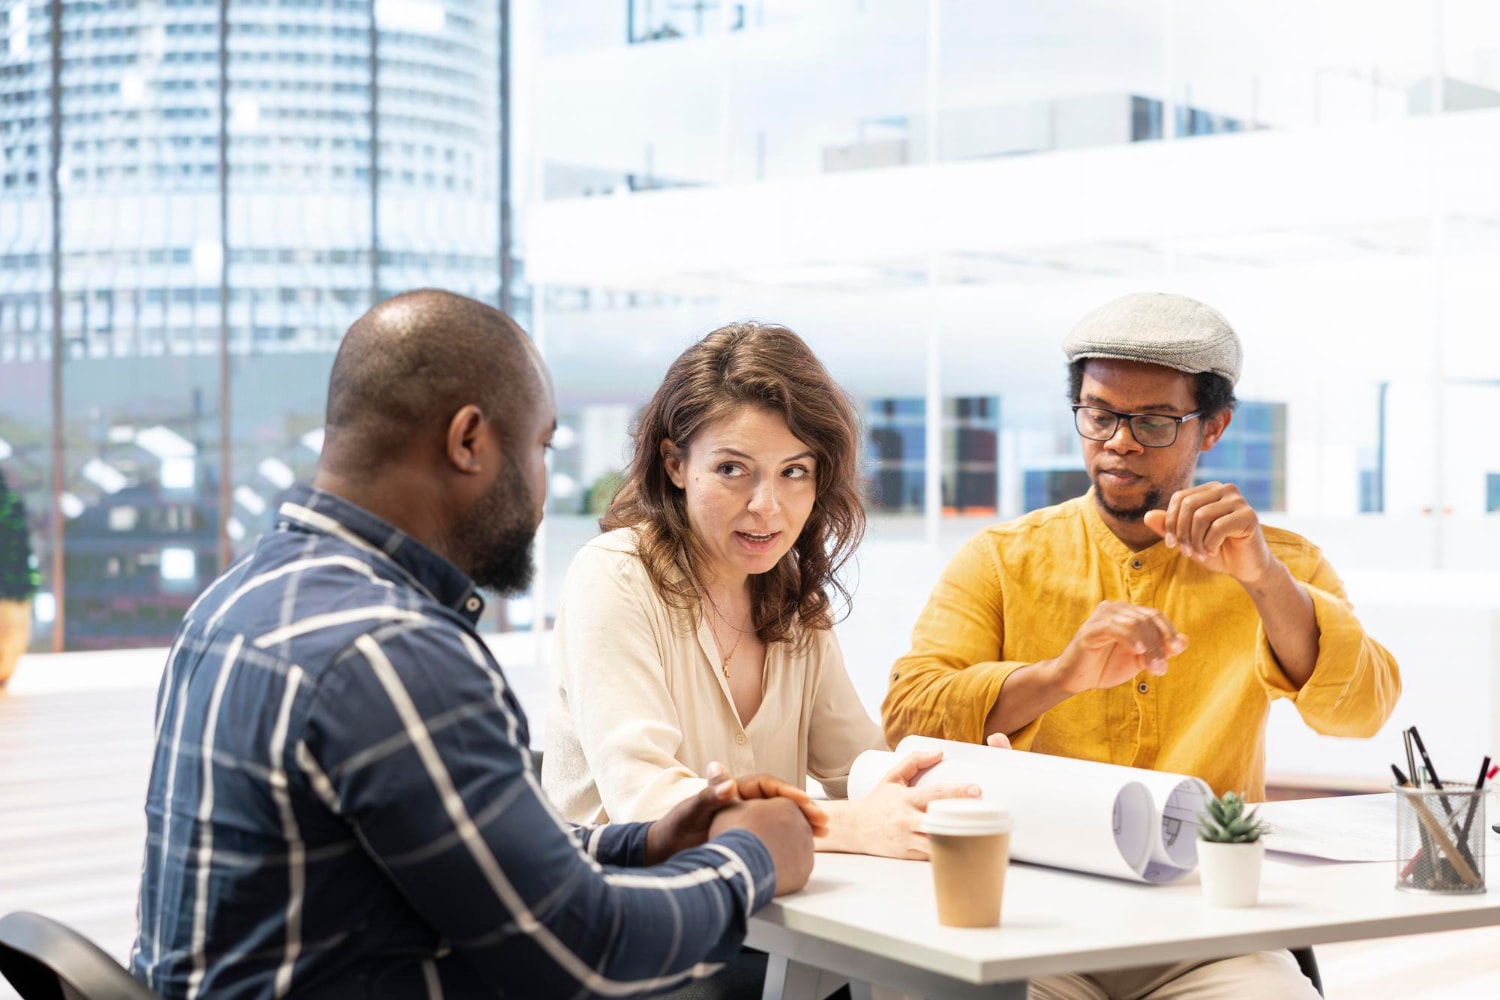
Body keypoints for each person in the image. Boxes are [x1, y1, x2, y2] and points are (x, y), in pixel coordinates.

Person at [130, 290, 822, 1000]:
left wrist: (645, 841)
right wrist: (753, 855)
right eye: (541, 446)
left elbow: (483, 852)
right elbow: (593, 951)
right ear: (469, 441)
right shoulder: (392, 654)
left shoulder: (234, 603)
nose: (545, 490)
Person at [882, 291, 1401, 999]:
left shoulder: (1279, 563)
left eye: (1153, 421)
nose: (1118, 441)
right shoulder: (1002, 558)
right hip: (1027, 919)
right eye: (1098, 415)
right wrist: (1059, 675)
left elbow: (1361, 712)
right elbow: (908, 721)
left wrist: (1264, 579)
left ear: (1212, 428)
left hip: (1210, 927)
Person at [543, 322, 993, 861]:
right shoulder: (614, 577)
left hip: (756, 913)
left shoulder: (795, 603)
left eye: (794, 471)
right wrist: (839, 825)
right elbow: (647, 802)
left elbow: (857, 766)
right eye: (733, 469)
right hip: (623, 920)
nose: (767, 506)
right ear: (675, 464)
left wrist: (965, 782)